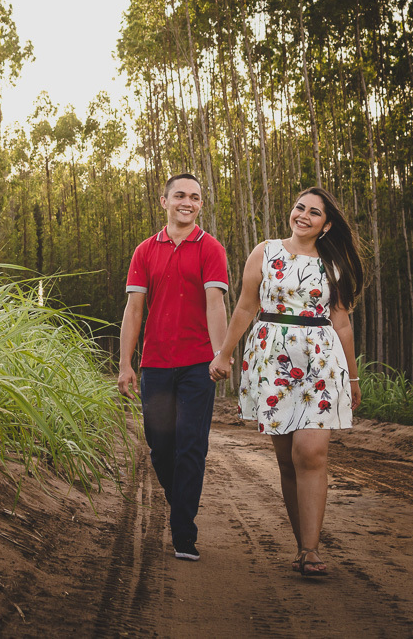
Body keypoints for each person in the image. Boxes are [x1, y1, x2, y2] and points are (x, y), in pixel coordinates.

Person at [214, 186, 364, 576]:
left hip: (320, 360)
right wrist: (225, 352)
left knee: (310, 453)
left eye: (314, 213)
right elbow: (246, 305)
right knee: (286, 460)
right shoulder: (265, 251)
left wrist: (353, 376)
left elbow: (342, 322)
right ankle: (302, 545)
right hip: (272, 358)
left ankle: (312, 550)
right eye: (300, 207)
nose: (303, 215)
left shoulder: (334, 264)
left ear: (326, 225)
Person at [117, 173, 230, 562]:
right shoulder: (145, 250)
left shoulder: (210, 248)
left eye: (195, 197)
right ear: (163, 201)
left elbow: (216, 303)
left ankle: (184, 532)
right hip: (156, 365)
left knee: (191, 447)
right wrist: (125, 364)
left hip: (199, 364)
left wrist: (222, 353)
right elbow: (133, 311)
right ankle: (179, 497)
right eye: (179, 195)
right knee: (161, 447)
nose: (188, 202)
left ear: (201, 204)